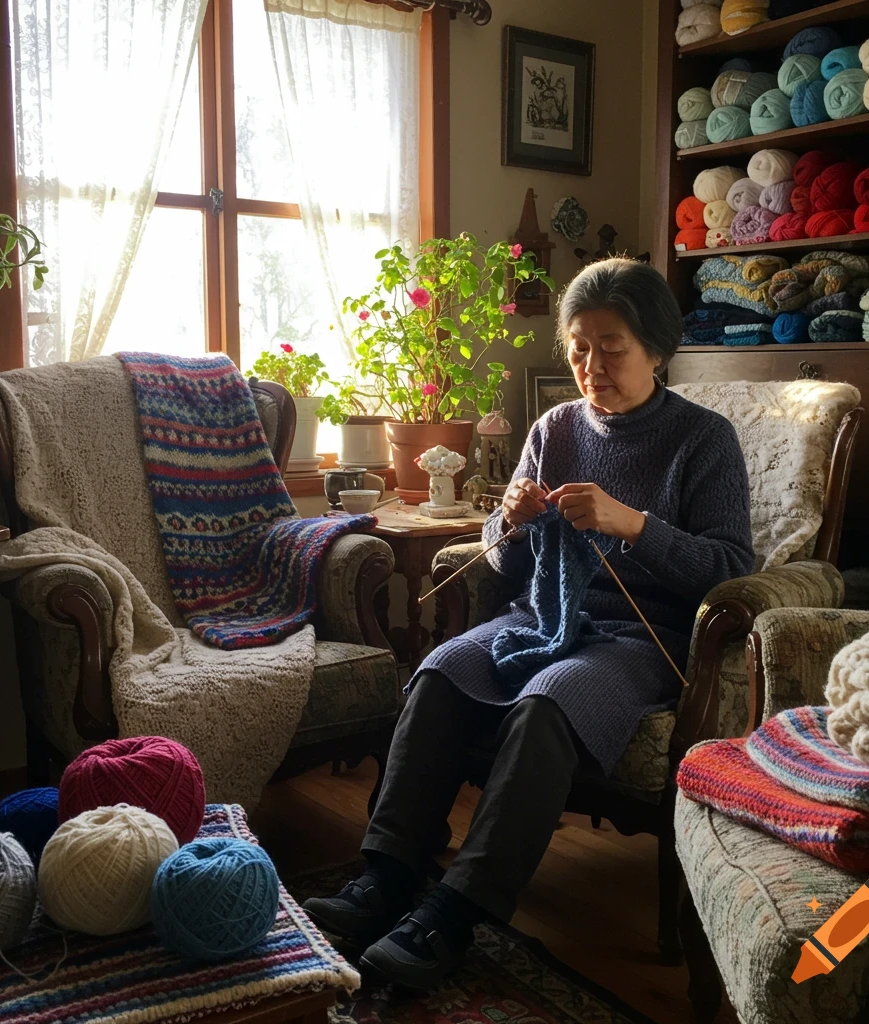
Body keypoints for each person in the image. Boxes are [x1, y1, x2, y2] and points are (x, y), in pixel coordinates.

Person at [303, 258, 755, 988]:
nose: (591, 365)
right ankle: (389, 871)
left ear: (658, 351)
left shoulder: (704, 440)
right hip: (542, 615)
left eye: (612, 349)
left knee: (552, 698)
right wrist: (502, 523)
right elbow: (505, 566)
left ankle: (457, 912)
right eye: (579, 348)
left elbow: (731, 568)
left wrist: (633, 525)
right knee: (441, 671)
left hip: (645, 639)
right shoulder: (554, 429)